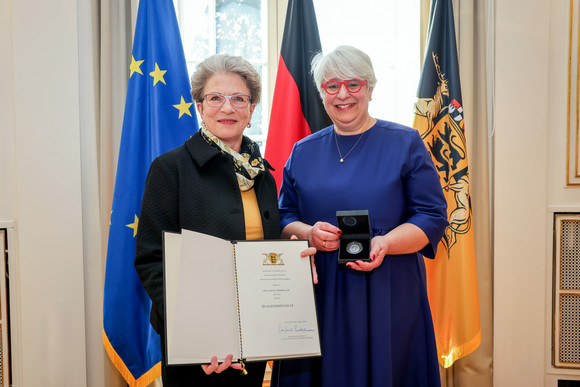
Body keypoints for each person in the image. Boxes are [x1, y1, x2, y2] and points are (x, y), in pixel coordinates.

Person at [271, 45, 449, 387]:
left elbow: (431, 216)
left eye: (353, 84)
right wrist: (308, 233)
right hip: (319, 291)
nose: (343, 95)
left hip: (388, 288)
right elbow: (283, 216)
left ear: (370, 87)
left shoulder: (406, 142)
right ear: (322, 92)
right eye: (332, 86)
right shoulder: (303, 151)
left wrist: (385, 242)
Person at [135, 54, 313, 387]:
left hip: (255, 334)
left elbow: (262, 249)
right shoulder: (170, 169)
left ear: (251, 109)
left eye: (239, 99)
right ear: (200, 107)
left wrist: (293, 262)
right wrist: (201, 334)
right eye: (215, 98)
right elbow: (151, 260)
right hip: (196, 345)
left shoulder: (262, 175)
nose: (227, 108)